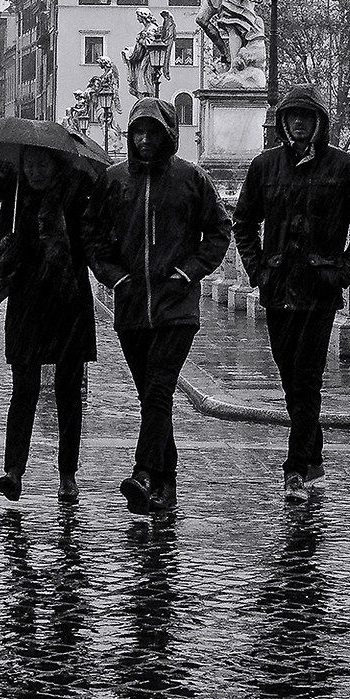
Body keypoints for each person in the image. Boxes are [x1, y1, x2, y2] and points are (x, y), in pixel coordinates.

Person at [230, 85, 350, 503]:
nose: (298, 122)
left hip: (319, 293)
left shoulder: (344, 168)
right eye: (291, 115)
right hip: (278, 290)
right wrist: (259, 272)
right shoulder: (265, 167)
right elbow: (242, 223)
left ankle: (294, 468)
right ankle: (313, 457)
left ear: (318, 122)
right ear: (283, 122)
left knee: (307, 379)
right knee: (290, 379)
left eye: (305, 115)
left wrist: (340, 274)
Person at [87, 96, 230, 517]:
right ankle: (166, 484)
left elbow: (219, 231)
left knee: (158, 390)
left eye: (152, 132)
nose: (145, 140)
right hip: (131, 307)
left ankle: (145, 472)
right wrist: (116, 276)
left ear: (168, 135)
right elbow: (93, 236)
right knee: (152, 398)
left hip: (176, 308)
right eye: (138, 132)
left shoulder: (191, 179)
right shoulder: (114, 180)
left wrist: (189, 272)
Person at [0, 149, 95, 503]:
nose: (34, 171)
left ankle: (67, 475)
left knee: (68, 392)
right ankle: (14, 471)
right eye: (28, 164)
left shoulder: (75, 197)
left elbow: (88, 245)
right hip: (28, 304)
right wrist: (5, 250)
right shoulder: (16, 199)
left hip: (68, 300)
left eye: (41, 164)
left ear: (55, 165)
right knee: (24, 389)